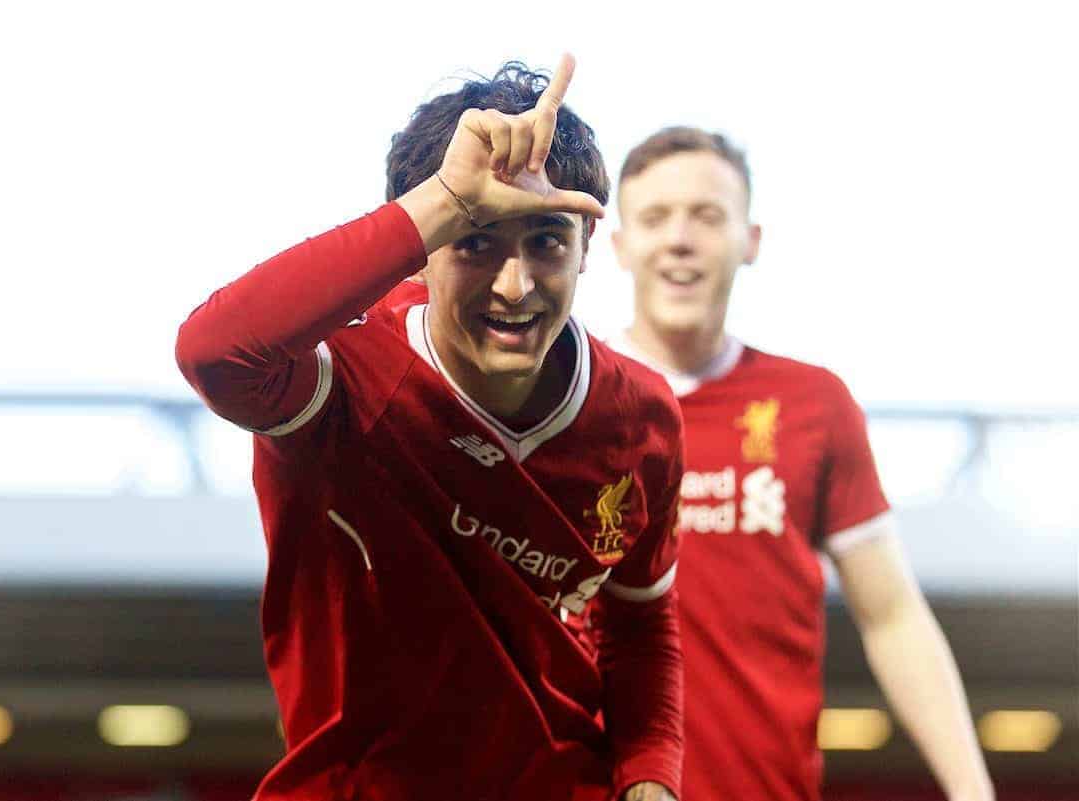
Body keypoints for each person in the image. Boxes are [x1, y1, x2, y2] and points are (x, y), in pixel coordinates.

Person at [176, 57, 684, 801]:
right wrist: (441, 198)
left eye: (547, 240)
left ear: (585, 250)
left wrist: (651, 778)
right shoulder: (345, 381)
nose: (515, 286)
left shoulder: (641, 420)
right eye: (475, 240)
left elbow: (642, 627)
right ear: (424, 249)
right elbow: (213, 352)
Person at [606, 126, 995, 801]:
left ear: (750, 239)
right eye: (655, 218)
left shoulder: (814, 403)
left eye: (707, 215)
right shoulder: (573, 403)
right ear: (616, 246)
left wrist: (972, 789)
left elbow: (893, 615)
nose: (679, 239)